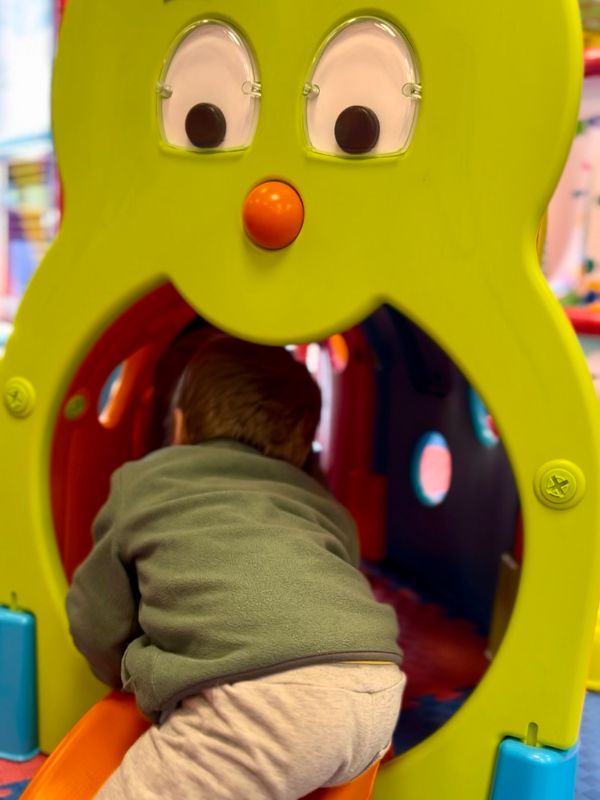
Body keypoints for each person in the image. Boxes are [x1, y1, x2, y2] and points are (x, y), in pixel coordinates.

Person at [66, 331, 405, 800]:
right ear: (300, 448)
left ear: (180, 425)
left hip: (267, 707)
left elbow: (95, 616)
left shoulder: (143, 481)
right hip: (378, 693)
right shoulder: (322, 505)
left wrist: (125, 670)